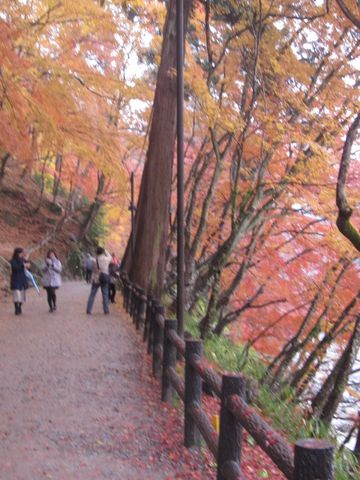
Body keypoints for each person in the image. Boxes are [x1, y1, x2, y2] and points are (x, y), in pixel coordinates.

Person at [86, 247, 111, 315]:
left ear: (96, 252)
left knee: (92, 294)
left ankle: (89, 309)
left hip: (96, 278)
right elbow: (110, 256)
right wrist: (105, 250)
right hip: (104, 278)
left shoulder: (94, 260)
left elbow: (92, 269)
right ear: (102, 252)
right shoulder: (106, 259)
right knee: (105, 294)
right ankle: (106, 310)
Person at [10, 247, 30, 315]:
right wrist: (23, 265)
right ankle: (16, 308)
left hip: (22, 279)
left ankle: (19, 307)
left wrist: (27, 263)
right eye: (21, 252)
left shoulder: (23, 260)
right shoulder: (13, 260)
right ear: (18, 253)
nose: (22, 254)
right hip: (15, 279)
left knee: (22, 295)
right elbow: (14, 268)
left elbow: (28, 268)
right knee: (16, 294)